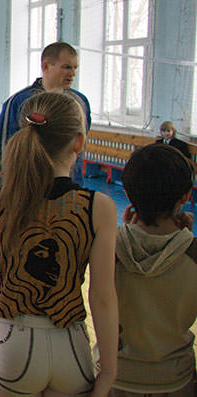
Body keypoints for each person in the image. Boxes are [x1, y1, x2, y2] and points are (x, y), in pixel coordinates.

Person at [0, 91, 118, 396]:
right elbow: (102, 297)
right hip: (70, 344)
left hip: (13, 343)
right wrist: (109, 370)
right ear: (78, 141)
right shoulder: (99, 206)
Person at [110, 143, 197, 396]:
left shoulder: (107, 248)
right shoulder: (192, 252)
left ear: (127, 193)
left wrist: (127, 231)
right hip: (175, 378)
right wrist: (183, 237)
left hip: (117, 374)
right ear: (186, 196)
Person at [0, 41, 91, 187]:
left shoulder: (81, 103)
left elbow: (79, 150)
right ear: (46, 66)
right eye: (66, 67)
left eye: (75, 68)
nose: (73, 73)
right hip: (29, 188)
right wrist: (3, 190)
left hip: (69, 188)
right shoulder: (18, 102)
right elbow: (1, 151)